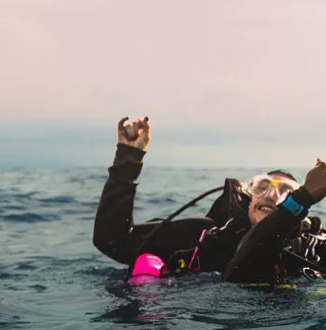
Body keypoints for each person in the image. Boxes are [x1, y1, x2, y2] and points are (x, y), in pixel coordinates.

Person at [93, 116, 304, 279]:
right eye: (262, 186)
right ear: (249, 197)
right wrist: (127, 160)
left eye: (285, 191)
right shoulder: (205, 234)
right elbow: (114, 242)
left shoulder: (307, 250)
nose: (270, 195)